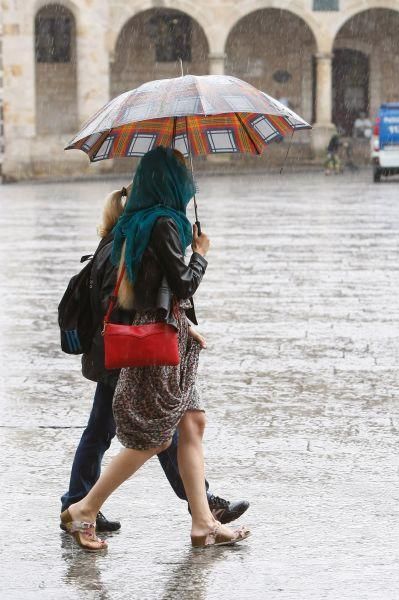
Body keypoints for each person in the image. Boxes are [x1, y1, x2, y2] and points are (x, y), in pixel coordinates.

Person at [60, 147, 251, 551]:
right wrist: (199, 256)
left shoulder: (142, 222)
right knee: (154, 440)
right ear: (168, 181)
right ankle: (83, 507)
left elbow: (155, 289)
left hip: (172, 333)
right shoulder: (163, 223)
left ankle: (203, 523)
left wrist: (185, 325)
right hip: (156, 343)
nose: (189, 184)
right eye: (182, 175)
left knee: (192, 424)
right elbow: (181, 284)